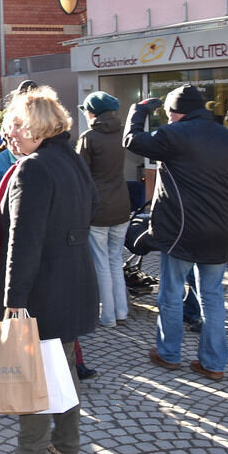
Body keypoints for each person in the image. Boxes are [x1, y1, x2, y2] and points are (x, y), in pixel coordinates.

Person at [0, 86, 98, 454]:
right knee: (63, 373)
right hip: (72, 285)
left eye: (15, 125)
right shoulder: (71, 158)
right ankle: (66, 447)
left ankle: (30, 452)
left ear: (34, 128)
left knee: (33, 377)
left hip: (42, 294)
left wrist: (15, 303)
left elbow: (23, 242)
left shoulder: (34, 167)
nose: (9, 133)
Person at [124, 85, 228, 382]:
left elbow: (131, 141)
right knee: (213, 297)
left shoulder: (174, 133)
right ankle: (214, 363)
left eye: (168, 113)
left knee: (171, 292)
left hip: (180, 231)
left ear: (174, 112)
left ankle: (169, 354)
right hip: (218, 230)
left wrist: (138, 110)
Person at [76, 91, 131, 328]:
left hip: (98, 208)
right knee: (115, 260)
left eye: (86, 110)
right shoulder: (123, 133)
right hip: (121, 204)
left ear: (93, 113)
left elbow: (80, 174)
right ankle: (121, 311)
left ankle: (107, 316)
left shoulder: (89, 137)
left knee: (101, 262)